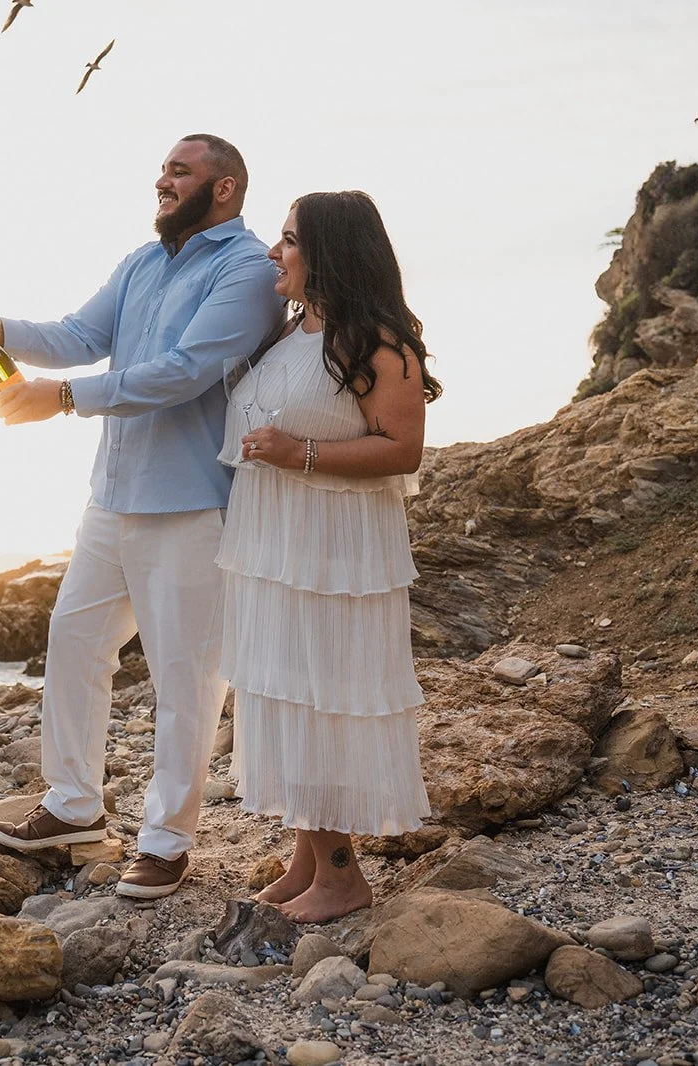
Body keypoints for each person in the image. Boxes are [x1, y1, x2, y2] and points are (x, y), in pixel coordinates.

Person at [0, 134, 284, 899]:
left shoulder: (249, 270)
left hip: (193, 504)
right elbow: (78, 336)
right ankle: (72, 806)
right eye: (163, 168)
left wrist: (59, 398)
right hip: (112, 498)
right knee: (72, 645)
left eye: (180, 170)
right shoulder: (140, 261)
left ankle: (166, 841)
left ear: (223, 189)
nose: (162, 180)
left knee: (187, 681)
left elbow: (186, 372)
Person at [219, 190, 441, 922]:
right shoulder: (287, 335)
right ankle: (309, 859)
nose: (275, 254)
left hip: (334, 550)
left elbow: (402, 448)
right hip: (275, 544)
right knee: (285, 691)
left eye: (288, 240)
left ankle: (344, 875)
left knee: (322, 698)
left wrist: (299, 452)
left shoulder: (376, 340)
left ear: (329, 252)